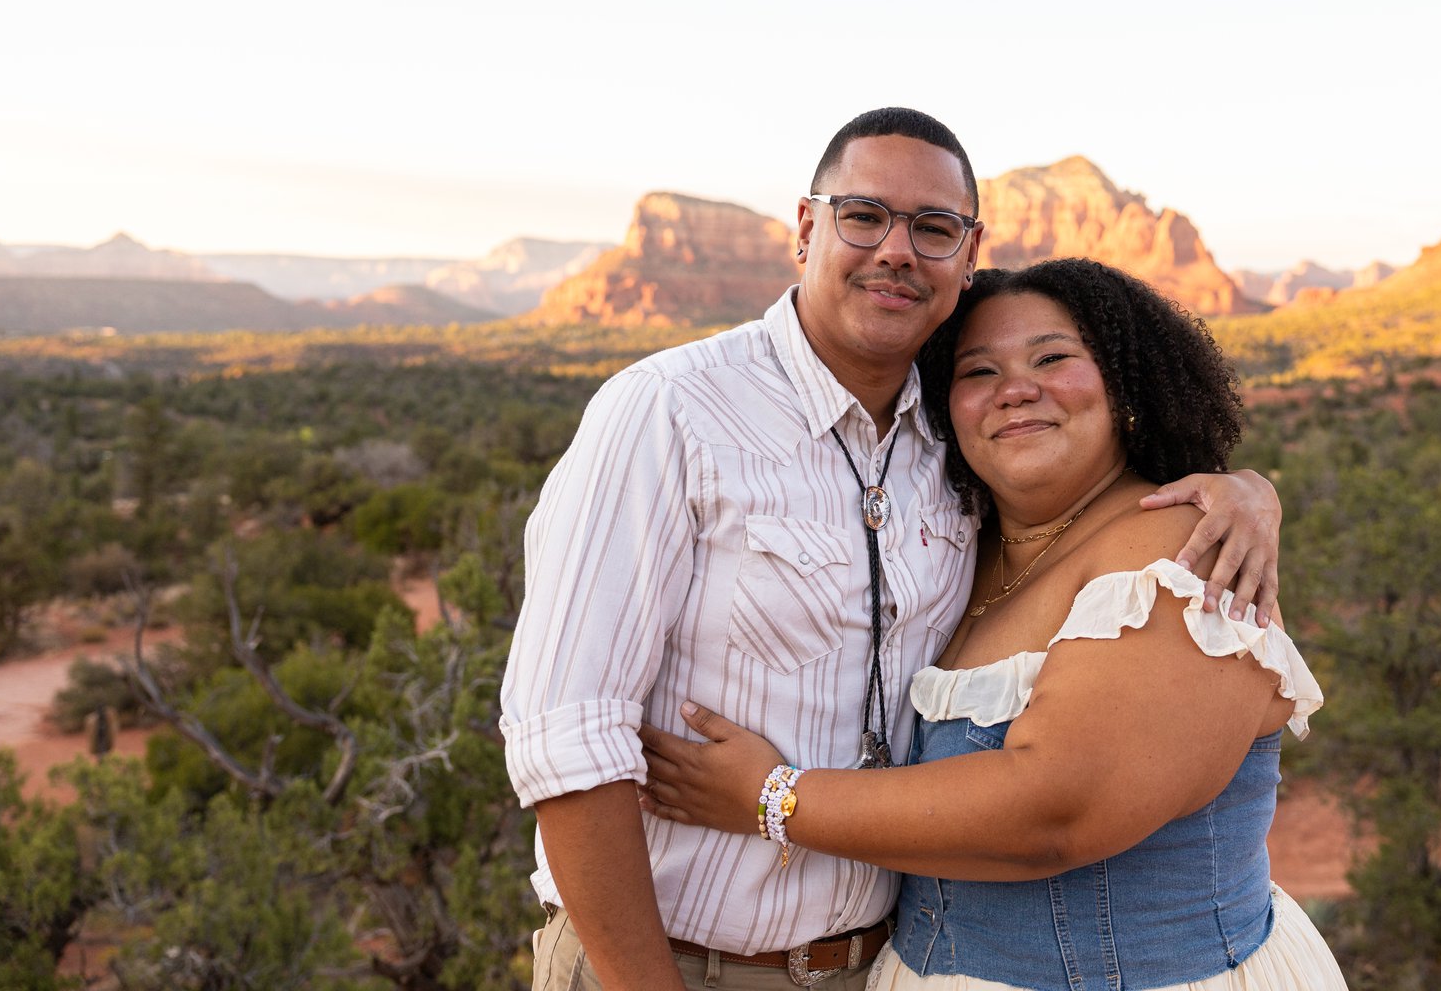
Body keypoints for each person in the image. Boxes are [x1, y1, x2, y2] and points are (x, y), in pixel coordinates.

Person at [501, 109, 1288, 991]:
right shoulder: (667, 412)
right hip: (680, 965)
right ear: (807, 228)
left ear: (968, 253)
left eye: (933, 228)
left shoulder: (951, 446)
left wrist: (1244, 491)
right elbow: (568, 738)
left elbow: (1085, 535)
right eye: (864, 215)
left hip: (875, 967)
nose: (897, 250)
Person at [640, 258, 1345, 991]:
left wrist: (773, 797)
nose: (1016, 389)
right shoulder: (957, 552)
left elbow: (1056, 812)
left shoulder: (1182, 554)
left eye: (1053, 358)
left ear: (1126, 384)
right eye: (978, 372)